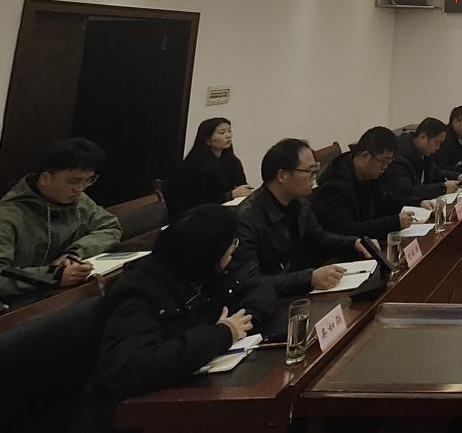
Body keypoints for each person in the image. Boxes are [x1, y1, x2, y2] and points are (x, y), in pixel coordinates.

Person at [84, 204, 276, 427]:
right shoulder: (138, 292)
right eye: (231, 243)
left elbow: (260, 288)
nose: (234, 249)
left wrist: (244, 320)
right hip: (141, 414)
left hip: (195, 390)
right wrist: (222, 334)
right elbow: (133, 367)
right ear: (208, 248)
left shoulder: (202, 271)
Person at [232, 138, 369, 296]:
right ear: (282, 175)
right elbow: (250, 282)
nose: (315, 177)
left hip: (301, 290)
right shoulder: (246, 219)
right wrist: (309, 278)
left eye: (316, 169)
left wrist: (354, 243)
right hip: (272, 300)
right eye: (309, 171)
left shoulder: (300, 202)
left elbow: (319, 238)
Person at [0, 137, 121, 296]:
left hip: (56, 294)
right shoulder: (8, 216)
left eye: (88, 180)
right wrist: (54, 276)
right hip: (19, 302)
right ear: (45, 178)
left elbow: (110, 227)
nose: (80, 188)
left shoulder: (79, 201)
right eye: (73, 181)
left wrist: (75, 253)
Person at [312, 126, 416, 240]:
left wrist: (418, 202)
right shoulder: (335, 186)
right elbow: (348, 230)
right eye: (383, 162)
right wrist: (393, 223)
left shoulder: (370, 174)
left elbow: (386, 200)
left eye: (388, 163)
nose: (385, 167)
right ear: (365, 156)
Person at [166, 117, 252, 219]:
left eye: (229, 131)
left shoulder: (233, 161)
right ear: (207, 140)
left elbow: (241, 184)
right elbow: (196, 200)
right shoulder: (195, 164)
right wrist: (230, 195)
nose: (228, 135)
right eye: (222, 132)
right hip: (195, 216)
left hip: (225, 210)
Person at [381, 118, 459, 210]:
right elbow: (408, 191)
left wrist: (458, 176)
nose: (438, 148)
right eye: (436, 143)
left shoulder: (424, 151)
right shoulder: (400, 156)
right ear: (423, 137)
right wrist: (443, 188)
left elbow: (436, 172)